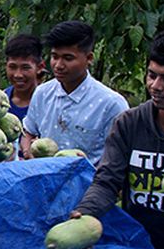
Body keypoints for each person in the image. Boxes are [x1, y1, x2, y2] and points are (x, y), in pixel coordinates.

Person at [72, 26, 164, 249]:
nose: (155, 86)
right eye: (152, 75)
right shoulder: (129, 124)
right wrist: (85, 215)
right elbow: (107, 182)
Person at [21, 20, 128, 165]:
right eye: (54, 57)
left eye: (68, 58)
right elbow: (28, 132)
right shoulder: (42, 93)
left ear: (89, 58)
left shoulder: (111, 104)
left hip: (90, 185)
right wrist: (29, 153)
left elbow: (121, 156)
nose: (58, 65)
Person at [3, 34, 45, 122]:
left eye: (25, 68)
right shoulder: (0, 103)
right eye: (12, 67)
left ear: (39, 67)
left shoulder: (49, 102)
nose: (18, 75)